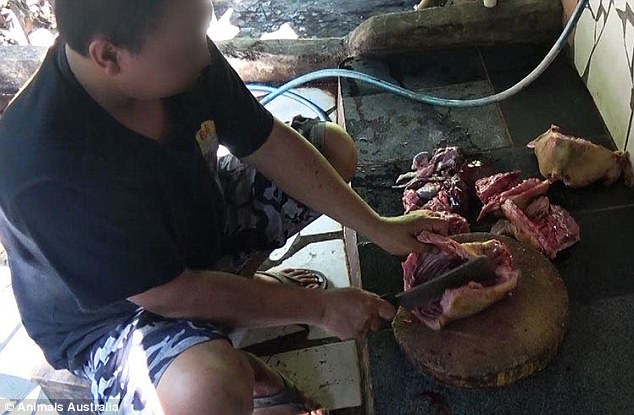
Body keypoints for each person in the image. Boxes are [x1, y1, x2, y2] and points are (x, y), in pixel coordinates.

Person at [0, 1, 448, 414]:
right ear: (109, 57)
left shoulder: (177, 50)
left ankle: (238, 302)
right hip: (117, 314)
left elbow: (265, 139)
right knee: (208, 389)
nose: (204, 56)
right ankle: (220, 353)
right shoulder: (42, 163)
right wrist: (320, 308)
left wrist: (379, 227)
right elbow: (168, 293)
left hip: (195, 220)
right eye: (188, 46)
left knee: (333, 152)